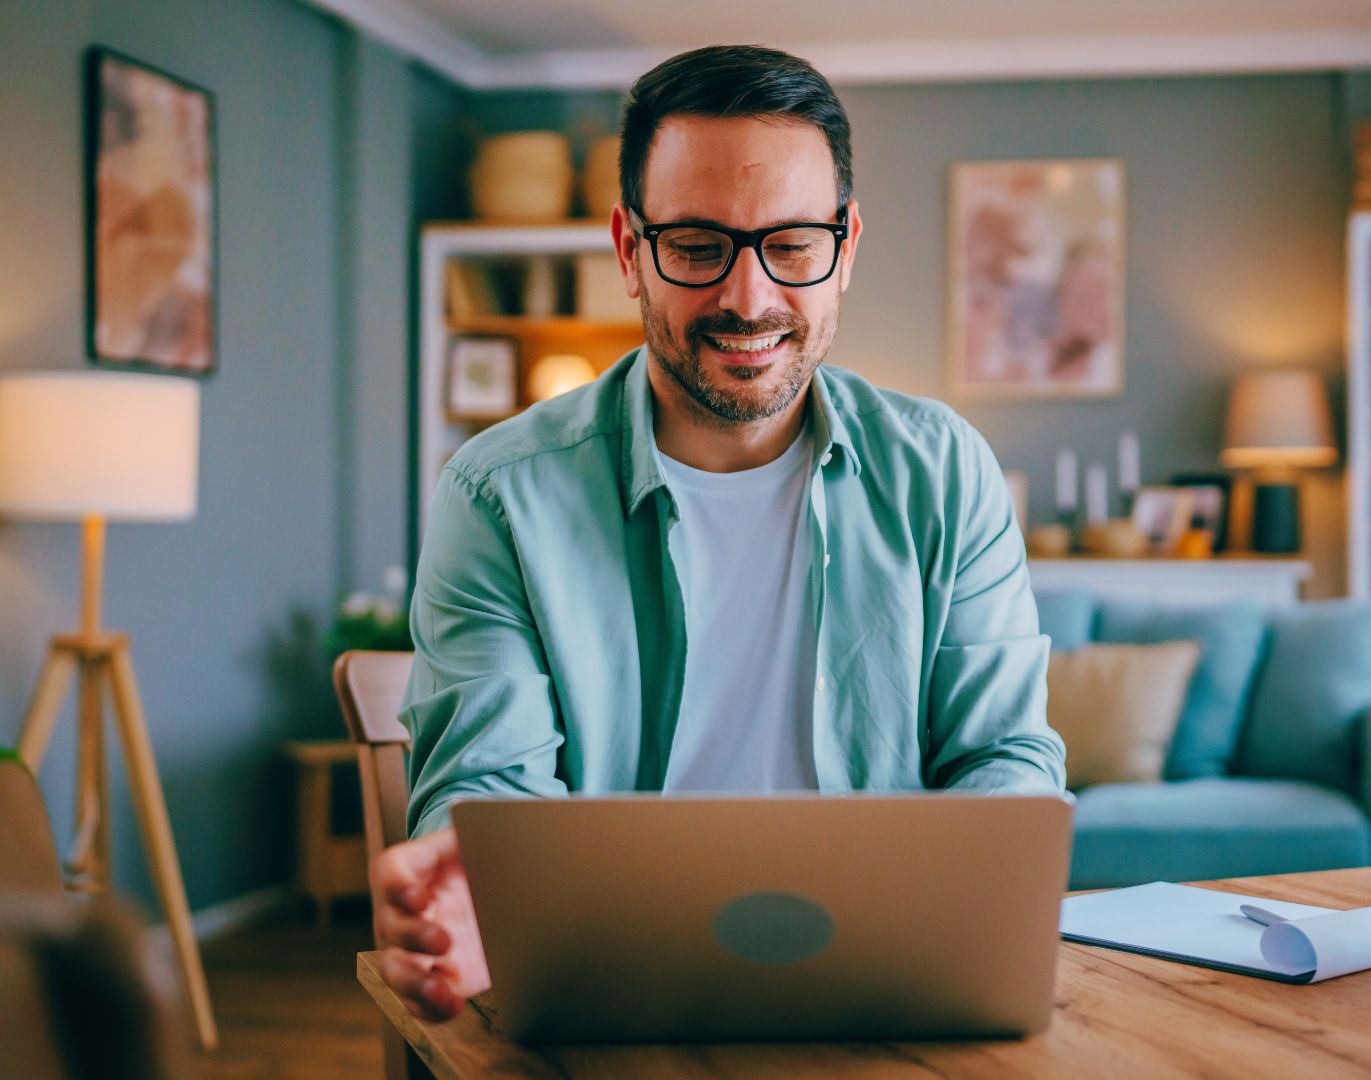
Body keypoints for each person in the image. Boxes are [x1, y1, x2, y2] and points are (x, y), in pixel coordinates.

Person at [370, 44, 1067, 1022]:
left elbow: (1003, 758)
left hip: (890, 995)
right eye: (697, 246)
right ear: (628, 250)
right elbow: (489, 785)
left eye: (790, 245)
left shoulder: (944, 470)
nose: (748, 299)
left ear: (847, 247)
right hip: (611, 995)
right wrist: (478, 893)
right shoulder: (497, 497)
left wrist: (979, 908)